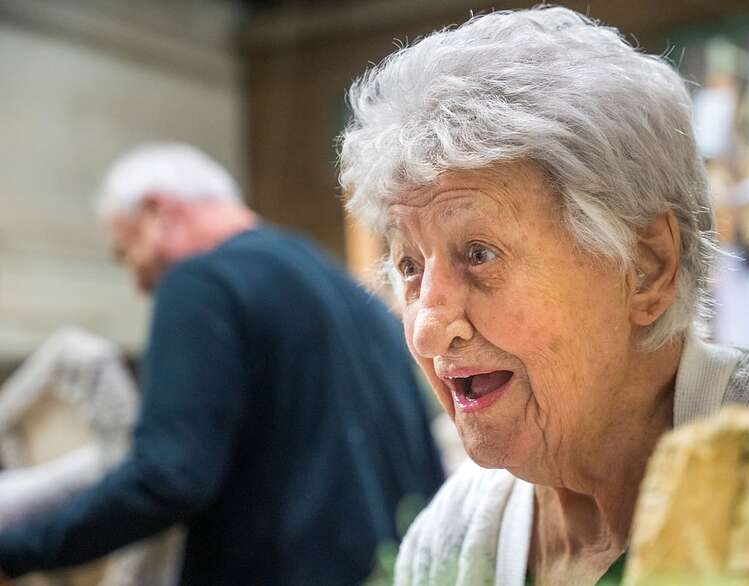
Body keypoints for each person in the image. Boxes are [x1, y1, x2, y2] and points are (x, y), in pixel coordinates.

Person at [337, 7, 749, 585]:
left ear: (646, 266)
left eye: (479, 254)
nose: (427, 328)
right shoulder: (455, 537)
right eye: (410, 266)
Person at [0, 143, 445, 585]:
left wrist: (19, 549)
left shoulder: (201, 284)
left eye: (125, 250)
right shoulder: (342, 287)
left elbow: (169, 477)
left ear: (157, 212)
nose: (137, 282)